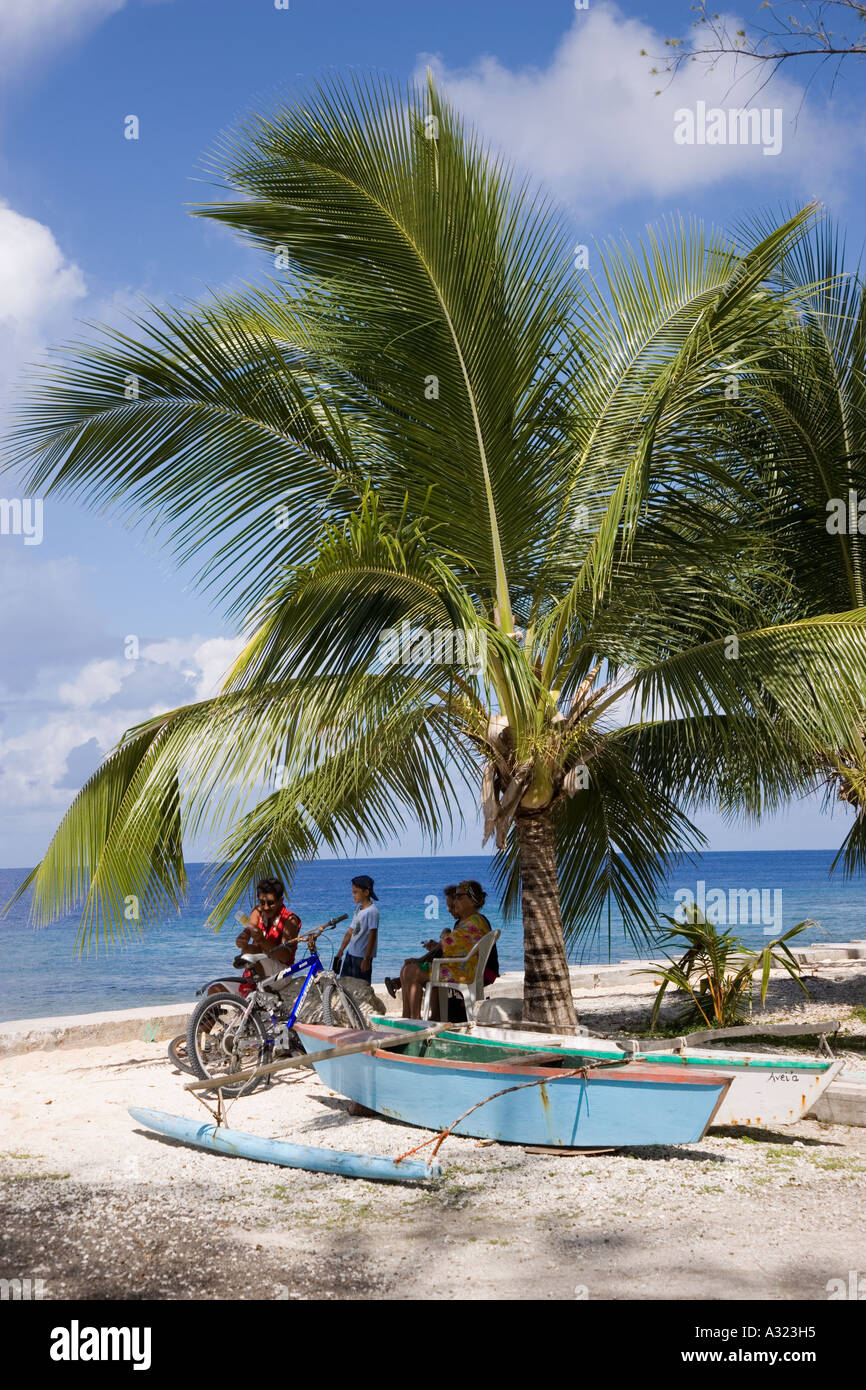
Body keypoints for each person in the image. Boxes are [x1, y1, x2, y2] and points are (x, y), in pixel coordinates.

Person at [396, 880, 495, 1020]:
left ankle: (413, 1019)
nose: (455, 902)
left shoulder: (475, 922)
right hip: (460, 967)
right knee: (407, 969)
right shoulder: (471, 921)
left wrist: (444, 933)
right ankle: (411, 1017)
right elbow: (452, 945)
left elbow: (448, 945)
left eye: (460, 897)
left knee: (411, 971)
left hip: (464, 971)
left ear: (472, 901)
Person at [205, 877, 303, 998]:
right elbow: (245, 935)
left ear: (280, 900)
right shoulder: (257, 912)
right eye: (262, 903)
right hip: (254, 973)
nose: (266, 907)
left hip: (281, 974)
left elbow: (285, 956)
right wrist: (241, 940)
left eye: (271, 903)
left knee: (251, 951)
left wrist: (262, 941)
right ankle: (248, 992)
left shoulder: (290, 920)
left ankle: (258, 994)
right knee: (213, 991)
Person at [333, 875, 379, 985]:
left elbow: (373, 935)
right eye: (353, 892)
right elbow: (350, 931)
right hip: (350, 954)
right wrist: (341, 951)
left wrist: (367, 959)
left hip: (361, 958)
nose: (353, 895)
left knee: (361, 987)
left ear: (366, 892)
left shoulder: (372, 911)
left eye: (356, 892)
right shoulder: (359, 909)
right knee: (344, 985)